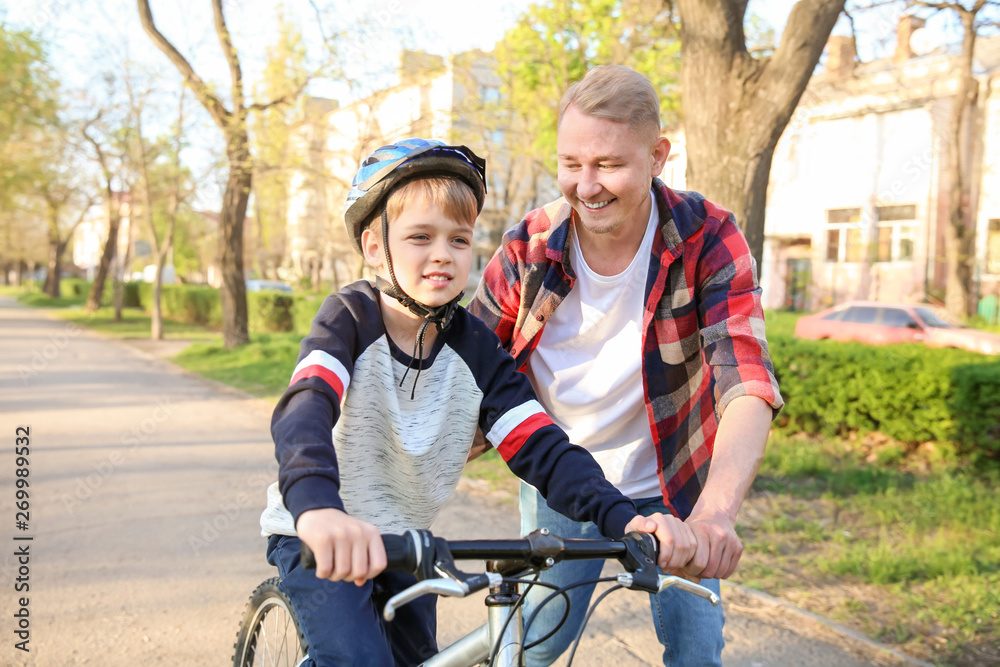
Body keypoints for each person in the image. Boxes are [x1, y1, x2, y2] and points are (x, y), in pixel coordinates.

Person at [258, 138, 698, 666]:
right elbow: (305, 406)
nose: (443, 254)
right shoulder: (348, 320)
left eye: (459, 240)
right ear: (375, 248)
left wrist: (622, 519)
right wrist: (317, 509)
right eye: (420, 237)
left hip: (405, 543)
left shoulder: (476, 348)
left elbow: (542, 446)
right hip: (319, 535)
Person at [468, 66, 784, 666]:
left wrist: (716, 515)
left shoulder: (708, 237)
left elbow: (744, 377)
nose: (586, 186)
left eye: (609, 165)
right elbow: (465, 369)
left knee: (696, 651)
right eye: (571, 164)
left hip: (676, 490)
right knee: (536, 646)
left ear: (658, 155)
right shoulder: (529, 248)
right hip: (566, 483)